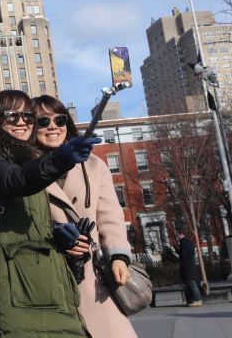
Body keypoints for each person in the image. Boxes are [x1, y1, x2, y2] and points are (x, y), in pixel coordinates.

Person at [0, 89, 97, 337]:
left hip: (49, 280)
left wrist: (58, 234)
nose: (22, 122)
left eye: (28, 116)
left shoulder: (27, 160)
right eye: (12, 116)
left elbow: (30, 218)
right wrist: (60, 158)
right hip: (17, 283)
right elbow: (15, 181)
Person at [32, 95, 137, 337]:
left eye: (59, 119)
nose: (52, 127)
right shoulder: (26, 171)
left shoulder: (93, 165)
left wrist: (119, 256)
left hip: (94, 278)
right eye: (43, 121)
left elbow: (110, 215)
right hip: (49, 276)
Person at [177, 230, 203, 307]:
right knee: (193, 283)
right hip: (191, 265)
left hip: (187, 267)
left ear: (181, 234)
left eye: (178, 235)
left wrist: (178, 251)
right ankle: (196, 299)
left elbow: (183, 255)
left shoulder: (183, 243)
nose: (177, 237)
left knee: (192, 284)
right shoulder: (190, 242)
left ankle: (198, 300)